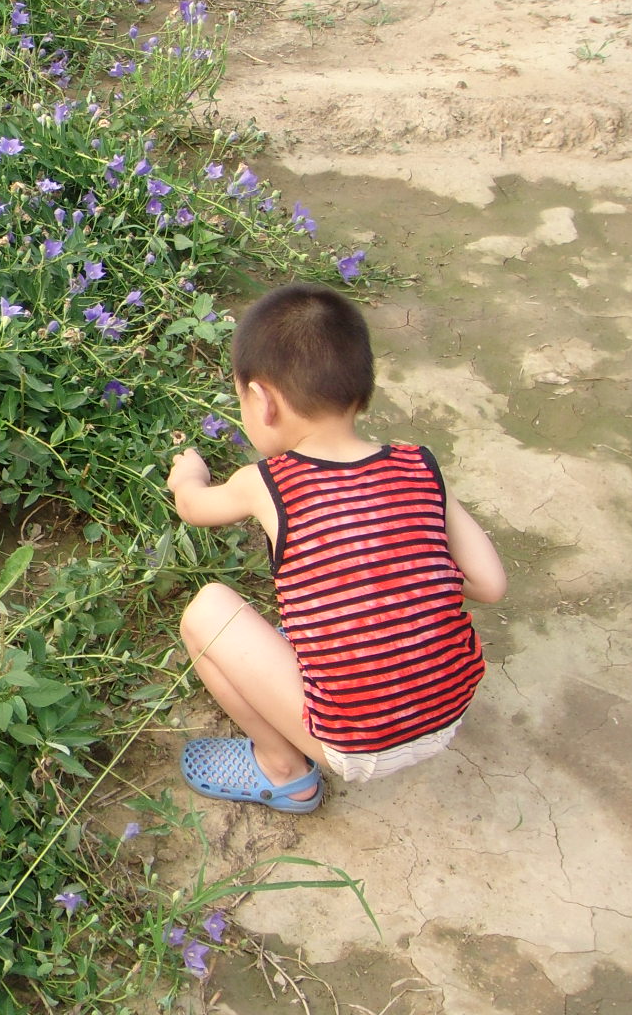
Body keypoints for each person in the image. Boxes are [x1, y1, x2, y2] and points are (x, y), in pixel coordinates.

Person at [164, 283, 506, 812]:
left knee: (206, 612)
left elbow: (194, 508)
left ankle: (284, 771)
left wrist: (188, 475)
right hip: (448, 713)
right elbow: (490, 585)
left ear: (263, 401)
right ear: (362, 391)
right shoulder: (419, 464)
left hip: (355, 742)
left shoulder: (268, 481)